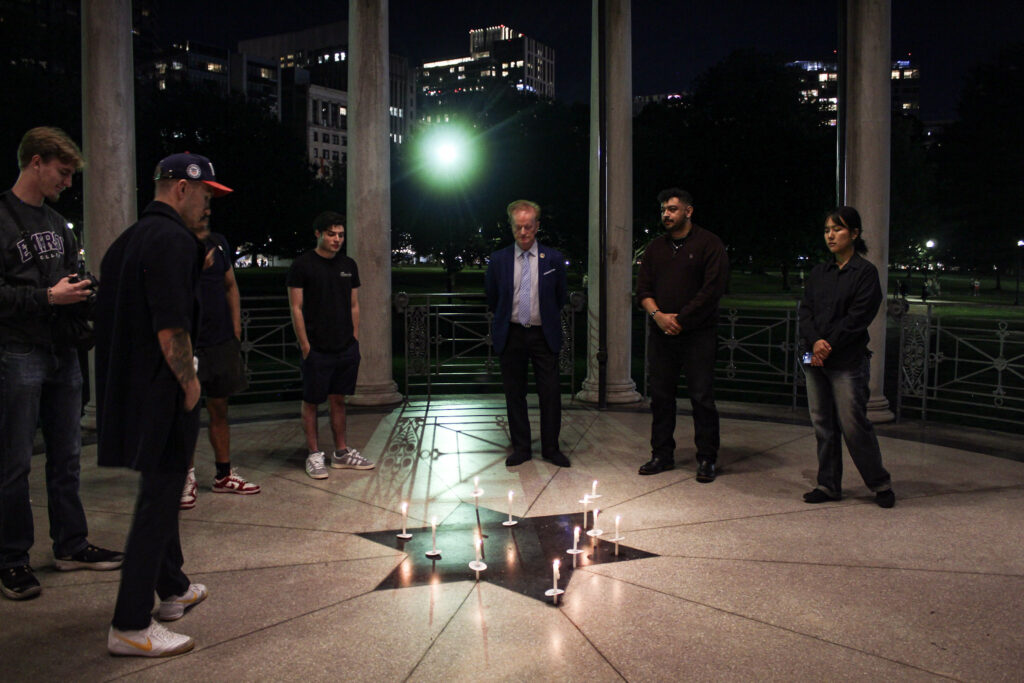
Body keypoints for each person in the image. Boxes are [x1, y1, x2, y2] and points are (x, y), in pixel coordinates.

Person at [96, 152, 232, 656]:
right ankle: (130, 625)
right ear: (180, 188)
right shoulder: (174, 240)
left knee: (161, 492)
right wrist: (189, 383)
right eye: (206, 195)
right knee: (157, 504)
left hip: (132, 389)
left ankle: (171, 587)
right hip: (164, 390)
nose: (209, 206)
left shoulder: (129, 240)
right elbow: (170, 324)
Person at [0, 127, 123, 601]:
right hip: (17, 351)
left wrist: (81, 288)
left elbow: (70, 275)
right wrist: (48, 296)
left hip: (62, 351)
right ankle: (12, 559)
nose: (68, 182)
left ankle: (70, 545)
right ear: (36, 162)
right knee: (13, 462)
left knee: (67, 457)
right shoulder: (3, 218)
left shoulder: (57, 223)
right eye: (63, 172)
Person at [797, 206, 894, 508]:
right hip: (813, 358)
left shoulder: (865, 273)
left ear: (854, 233)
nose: (830, 235)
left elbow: (858, 317)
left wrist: (828, 344)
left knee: (853, 424)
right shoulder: (819, 272)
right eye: (827, 230)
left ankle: (879, 483)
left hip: (847, 360)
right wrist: (815, 343)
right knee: (822, 423)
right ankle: (828, 485)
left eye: (837, 229)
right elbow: (805, 311)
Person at [636, 188, 728, 481]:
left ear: (688, 211)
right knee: (661, 397)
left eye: (673, 209)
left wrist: (681, 319)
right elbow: (643, 291)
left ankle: (707, 458)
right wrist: (658, 316)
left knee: (701, 397)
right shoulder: (654, 248)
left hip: (698, 334)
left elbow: (712, 289)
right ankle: (661, 454)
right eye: (664, 209)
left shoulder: (709, 244)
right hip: (661, 333)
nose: (666, 214)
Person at [287, 211, 374, 479]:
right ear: (318, 234)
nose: (337, 239)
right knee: (312, 401)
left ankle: (341, 453)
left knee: (339, 399)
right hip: (316, 347)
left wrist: (355, 338)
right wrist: (305, 346)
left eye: (341, 235)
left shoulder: (349, 264)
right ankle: (314, 454)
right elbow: (296, 307)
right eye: (331, 234)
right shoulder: (302, 265)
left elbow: (354, 304)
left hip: (345, 346)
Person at [485, 200, 570, 467]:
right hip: (511, 334)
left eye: (528, 227)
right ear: (511, 227)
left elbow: (560, 297)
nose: (523, 232)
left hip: (543, 335)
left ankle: (551, 449)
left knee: (550, 393)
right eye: (518, 227)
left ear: (537, 226)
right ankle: (521, 448)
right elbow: (493, 296)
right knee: (514, 393)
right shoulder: (498, 260)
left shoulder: (553, 258)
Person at [180, 231, 260, 509]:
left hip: (220, 341)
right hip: (186, 342)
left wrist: (235, 329)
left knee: (219, 408)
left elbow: (230, 286)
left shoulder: (218, 242)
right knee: (185, 413)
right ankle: (185, 478)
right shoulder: (172, 241)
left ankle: (223, 476)